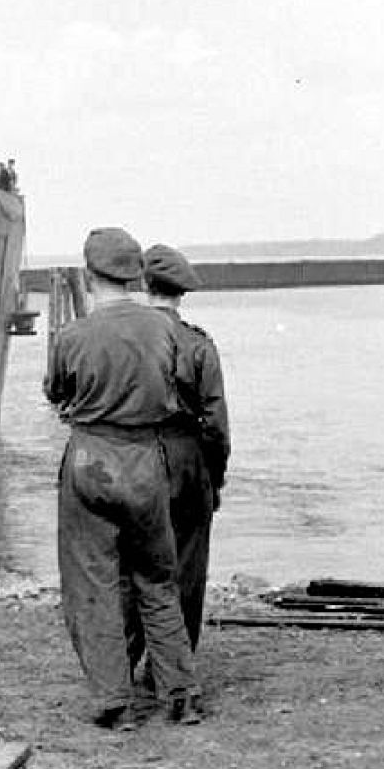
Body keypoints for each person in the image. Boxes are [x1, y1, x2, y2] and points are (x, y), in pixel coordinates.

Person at [43, 227, 201, 729]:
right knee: (158, 578)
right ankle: (180, 692)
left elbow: (56, 391)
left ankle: (115, 700)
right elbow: (187, 390)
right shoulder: (167, 331)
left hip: (90, 459)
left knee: (94, 582)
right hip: (147, 462)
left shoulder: (72, 335)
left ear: (89, 276)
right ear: (136, 276)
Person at [123, 245, 230, 660]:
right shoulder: (198, 345)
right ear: (181, 292)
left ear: (145, 284)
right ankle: (170, 669)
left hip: (131, 458)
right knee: (185, 569)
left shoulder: (124, 340)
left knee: (132, 567)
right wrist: (214, 479)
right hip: (186, 461)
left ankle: (123, 662)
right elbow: (217, 425)